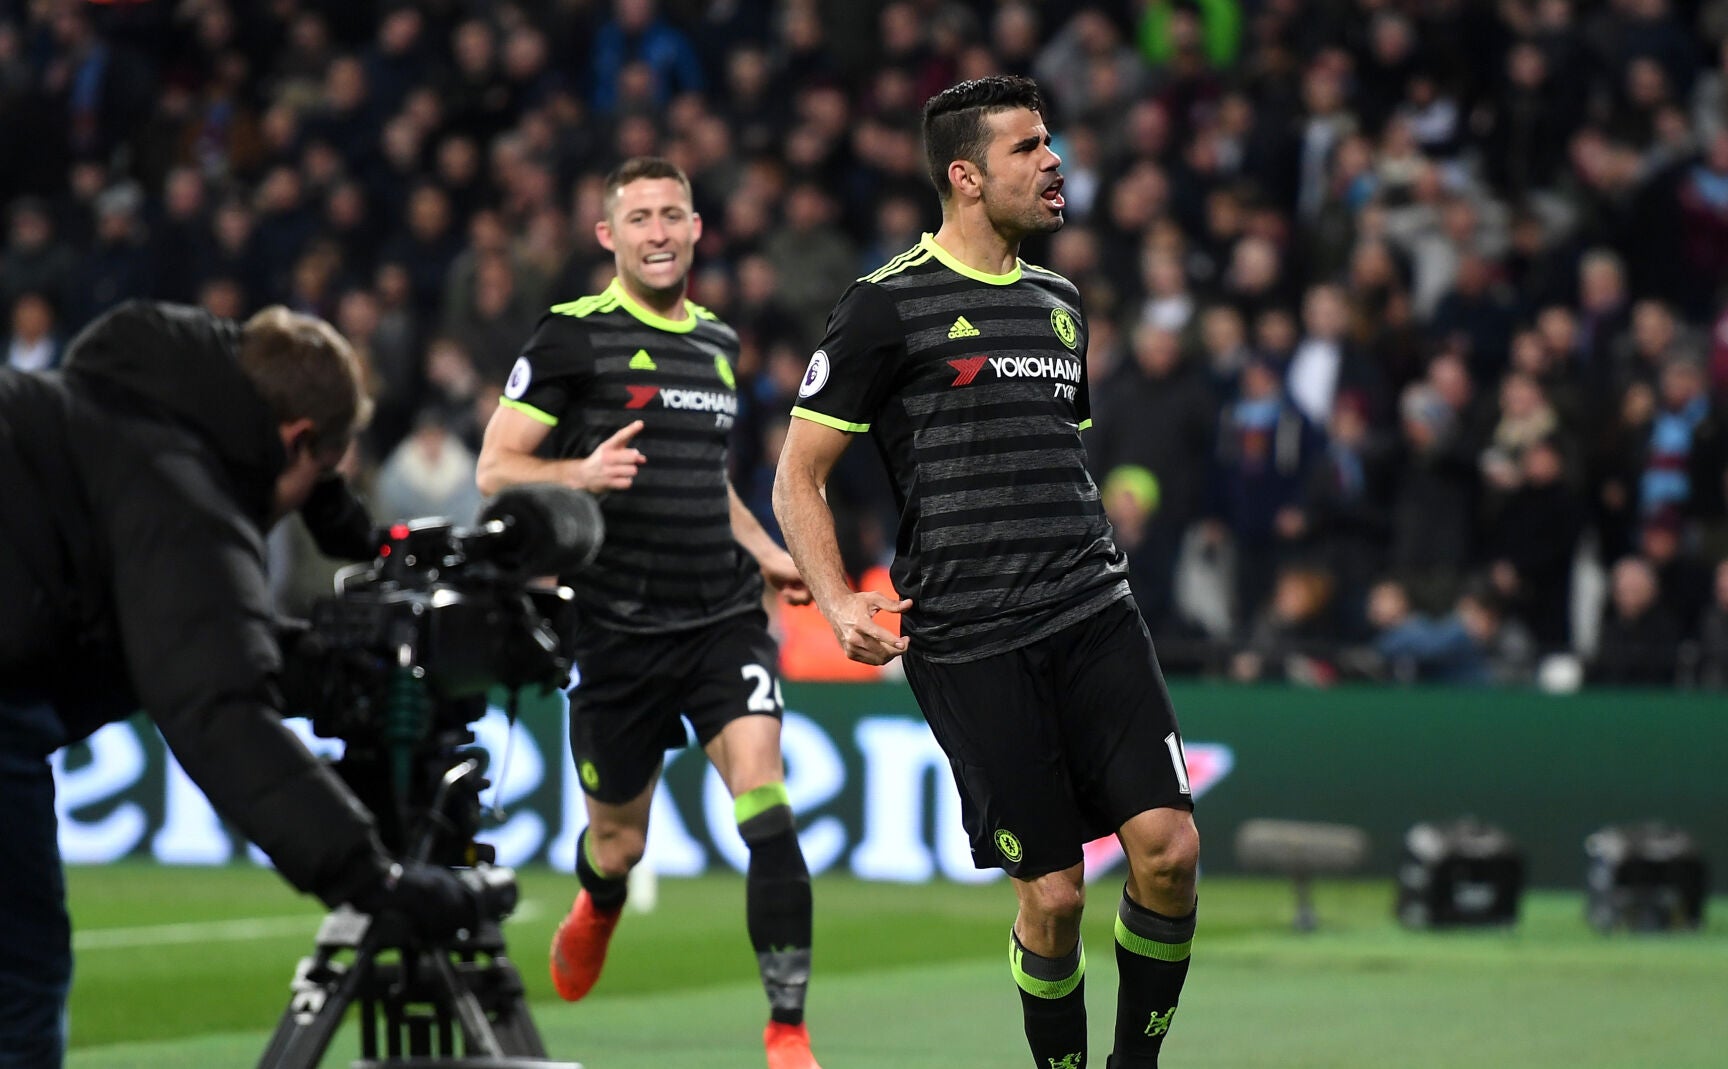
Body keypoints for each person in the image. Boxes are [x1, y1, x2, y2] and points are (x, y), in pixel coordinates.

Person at [773, 76, 1201, 1069]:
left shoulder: (1060, 304)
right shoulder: (883, 308)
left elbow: (1058, 457)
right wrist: (836, 600)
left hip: (1094, 610)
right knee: (1052, 899)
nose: (1054, 162)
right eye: (1028, 148)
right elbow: (799, 474)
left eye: (1051, 143)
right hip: (972, 641)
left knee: (1170, 851)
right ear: (965, 176)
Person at [0, 301, 480, 1069]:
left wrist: (347, 541)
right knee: (18, 979)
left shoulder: (138, 397)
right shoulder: (182, 499)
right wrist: (371, 878)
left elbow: (162, 643)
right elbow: (218, 711)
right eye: (322, 470)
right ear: (297, 440)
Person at [473, 158, 821, 1069]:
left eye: (673, 215)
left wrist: (767, 552)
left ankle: (787, 1030)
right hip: (617, 629)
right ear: (609, 237)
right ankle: (599, 901)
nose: (658, 232)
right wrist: (577, 473)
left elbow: (710, 482)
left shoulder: (717, 341)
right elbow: (496, 467)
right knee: (618, 842)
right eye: (640, 218)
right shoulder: (570, 338)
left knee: (766, 801)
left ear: (699, 228)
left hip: (719, 616)